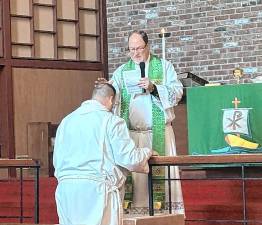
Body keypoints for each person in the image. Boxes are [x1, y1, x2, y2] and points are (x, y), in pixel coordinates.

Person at [97, 30, 184, 215]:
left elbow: (177, 93)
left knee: (162, 180)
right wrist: (106, 86)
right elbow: (112, 97)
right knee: (134, 182)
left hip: (158, 133)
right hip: (131, 135)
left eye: (139, 48)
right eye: (131, 49)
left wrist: (154, 88)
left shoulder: (164, 66)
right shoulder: (121, 71)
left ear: (148, 46)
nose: (135, 53)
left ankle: (166, 217)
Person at [53, 83, 153, 225]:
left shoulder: (66, 121)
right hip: (97, 191)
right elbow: (129, 159)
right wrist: (147, 151)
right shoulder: (111, 121)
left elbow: (57, 159)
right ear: (111, 99)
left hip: (66, 190)